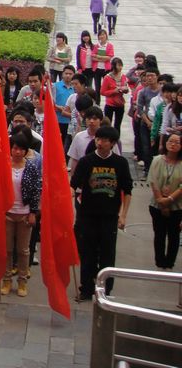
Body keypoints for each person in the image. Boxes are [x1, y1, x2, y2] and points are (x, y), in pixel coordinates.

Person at [72, 125, 132, 300]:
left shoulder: (120, 163)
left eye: (104, 140)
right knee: (87, 253)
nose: (100, 143)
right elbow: (73, 184)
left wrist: (123, 215)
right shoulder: (86, 162)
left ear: (112, 143)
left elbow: (127, 190)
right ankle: (86, 289)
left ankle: (105, 290)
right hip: (87, 216)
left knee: (107, 254)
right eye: (98, 139)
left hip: (109, 217)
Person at [1, 132, 41, 297]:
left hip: (24, 214)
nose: (17, 152)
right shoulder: (4, 165)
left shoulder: (31, 167)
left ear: (26, 151)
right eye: (15, 148)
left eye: (20, 149)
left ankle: (22, 281)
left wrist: (33, 212)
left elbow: (36, 191)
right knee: (7, 249)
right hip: (8, 214)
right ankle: (7, 279)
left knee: (23, 250)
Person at [148, 132, 182, 269]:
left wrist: (169, 199)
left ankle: (170, 262)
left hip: (177, 206)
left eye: (177, 142)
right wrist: (161, 202)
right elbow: (153, 181)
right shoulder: (157, 160)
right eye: (170, 141)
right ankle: (160, 261)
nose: (173, 144)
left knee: (174, 235)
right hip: (156, 204)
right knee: (159, 234)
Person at [100, 57, 129, 132]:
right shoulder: (107, 77)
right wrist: (114, 91)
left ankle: (116, 140)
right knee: (107, 125)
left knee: (117, 125)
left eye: (121, 65)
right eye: (118, 65)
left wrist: (125, 89)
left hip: (120, 104)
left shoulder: (123, 76)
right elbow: (102, 92)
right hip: (110, 104)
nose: (120, 67)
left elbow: (126, 88)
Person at [91, 29, 115, 95]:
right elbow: (92, 57)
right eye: (100, 35)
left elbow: (109, 57)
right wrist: (102, 58)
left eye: (103, 34)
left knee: (108, 87)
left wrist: (98, 56)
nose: (102, 36)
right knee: (97, 87)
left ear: (106, 36)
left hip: (106, 69)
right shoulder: (96, 46)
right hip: (97, 69)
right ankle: (97, 103)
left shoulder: (110, 46)